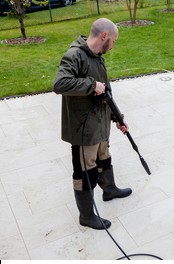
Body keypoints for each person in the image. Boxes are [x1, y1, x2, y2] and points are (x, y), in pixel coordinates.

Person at [53, 18, 132, 230]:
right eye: (113, 40)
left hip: (100, 123)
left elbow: (105, 90)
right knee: (85, 171)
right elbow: (59, 84)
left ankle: (109, 189)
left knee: (103, 157)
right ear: (104, 36)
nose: (113, 45)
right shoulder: (75, 55)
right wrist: (91, 85)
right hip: (83, 128)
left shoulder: (97, 56)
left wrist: (117, 118)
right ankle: (86, 216)